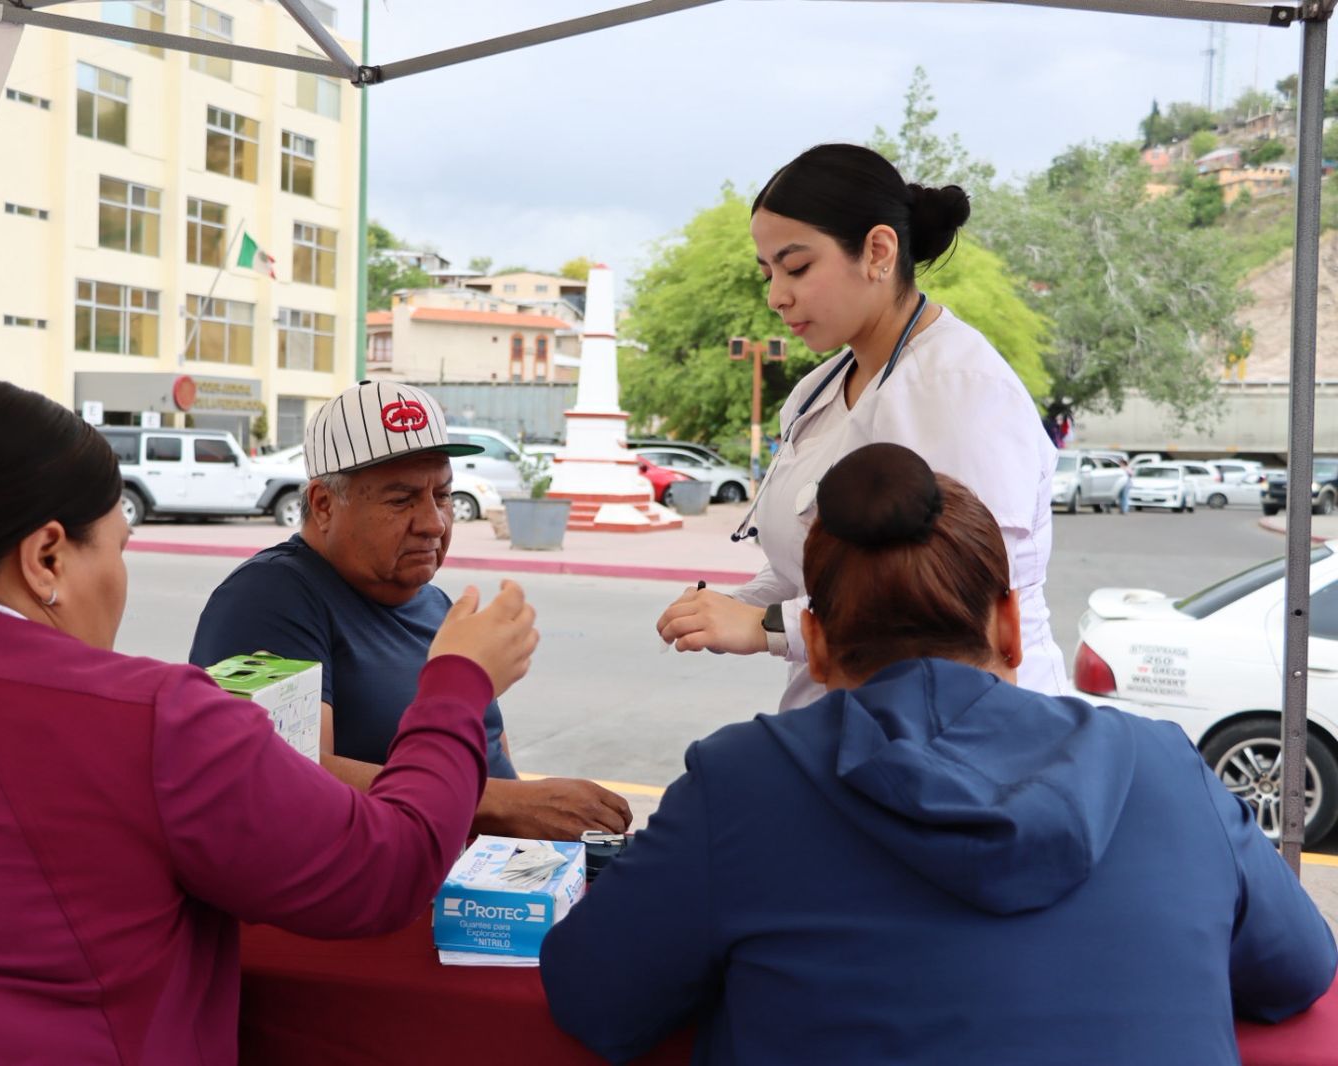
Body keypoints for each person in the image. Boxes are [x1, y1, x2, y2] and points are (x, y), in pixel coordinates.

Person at [0, 379, 539, 1065]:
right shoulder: (152, 717)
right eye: (118, 548)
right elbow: (383, 872)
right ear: (48, 557)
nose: (432, 520)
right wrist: (456, 685)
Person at [543, 443, 1336, 1065]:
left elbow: (596, 998)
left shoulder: (743, 784)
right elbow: (1297, 970)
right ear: (1009, 626)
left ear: (813, 645)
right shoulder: (1165, 767)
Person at [655, 143, 1068, 710]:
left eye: (797, 267)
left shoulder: (958, 389)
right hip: (849, 718)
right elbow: (812, 566)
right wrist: (731, 603)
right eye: (768, 272)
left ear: (878, 250)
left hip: (959, 727)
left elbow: (954, 600)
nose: (777, 296)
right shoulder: (817, 390)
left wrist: (763, 626)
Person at [191, 381, 632, 841]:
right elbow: (289, 774)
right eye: (401, 500)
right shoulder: (271, 597)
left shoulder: (438, 604)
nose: (433, 523)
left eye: (441, 496)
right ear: (324, 504)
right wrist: (508, 806)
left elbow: (489, 741)